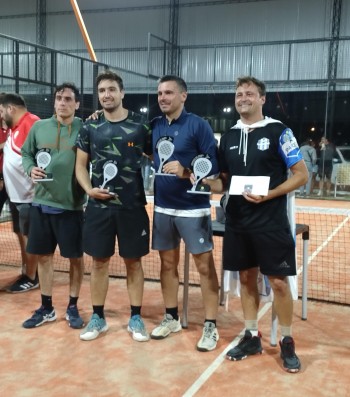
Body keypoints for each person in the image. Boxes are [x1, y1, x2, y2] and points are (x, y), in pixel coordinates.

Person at [204, 76, 308, 372]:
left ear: (262, 99)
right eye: (239, 94)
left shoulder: (279, 131)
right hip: (238, 222)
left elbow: (301, 174)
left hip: (271, 222)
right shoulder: (228, 136)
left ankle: (287, 340)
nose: (243, 98)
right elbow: (224, 181)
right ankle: (252, 336)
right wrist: (197, 179)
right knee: (247, 280)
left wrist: (271, 194)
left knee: (278, 282)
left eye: (249, 93)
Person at [75, 70, 152, 342]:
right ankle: (98, 317)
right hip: (98, 209)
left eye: (111, 89)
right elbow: (80, 167)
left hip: (132, 208)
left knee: (134, 263)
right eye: (102, 91)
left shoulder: (142, 126)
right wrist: (88, 190)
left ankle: (135, 317)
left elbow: (159, 159)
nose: (106, 95)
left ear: (122, 93)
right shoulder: (89, 127)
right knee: (99, 263)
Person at [150, 75, 220, 352]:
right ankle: (171, 318)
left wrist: (187, 170)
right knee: (167, 266)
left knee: (205, 268)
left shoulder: (198, 125)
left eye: (168, 93)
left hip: (194, 209)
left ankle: (211, 325)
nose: (163, 98)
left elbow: (213, 163)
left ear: (183, 96)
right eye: (159, 94)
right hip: (162, 208)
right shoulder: (154, 126)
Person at [21, 83, 85, 329]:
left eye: (68, 99)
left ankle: (72, 306)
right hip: (41, 204)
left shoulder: (84, 127)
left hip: (72, 207)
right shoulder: (39, 127)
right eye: (59, 98)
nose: (62, 103)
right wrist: (30, 169)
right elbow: (26, 154)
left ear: (77, 104)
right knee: (44, 258)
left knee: (75, 259)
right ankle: (46, 307)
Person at [0, 93, 40, 293]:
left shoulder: (31, 123)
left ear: (10, 109)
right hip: (16, 196)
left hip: (28, 196)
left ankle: (31, 277)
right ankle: (27, 270)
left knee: (28, 237)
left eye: (1, 111)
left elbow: (43, 154)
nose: (1, 116)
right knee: (21, 233)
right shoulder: (15, 128)